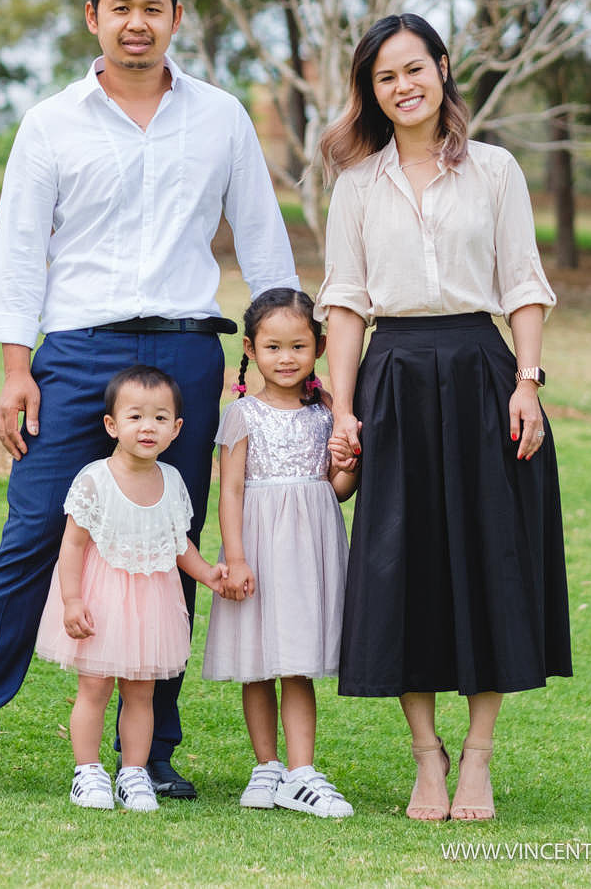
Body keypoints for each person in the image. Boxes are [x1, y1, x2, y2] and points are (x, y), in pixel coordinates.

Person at [0, 0, 298, 804]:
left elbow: (266, 244)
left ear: (175, 20)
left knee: (170, 546)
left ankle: (150, 749)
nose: (136, 22)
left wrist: (286, 357)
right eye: (119, 7)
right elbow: (19, 251)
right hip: (78, 354)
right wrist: (17, 367)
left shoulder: (222, 118)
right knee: (33, 534)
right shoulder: (52, 122)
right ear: (93, 17)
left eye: (152, 8)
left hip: (189, 353)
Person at [318, 13, 572, 823]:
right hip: (392, 377)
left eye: (414, 69)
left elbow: (524, 282)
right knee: (403, 570)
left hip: (481, 374)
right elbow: (347, 305)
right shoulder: (357, 186)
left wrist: (527, 383)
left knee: (490, 563)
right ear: (372, 92)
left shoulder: (495, 171)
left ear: (443, 67)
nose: (403, 86)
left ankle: (478, 761)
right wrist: (344, 412)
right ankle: (426, 758)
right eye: (385, 77)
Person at [35, 366, 227, 811]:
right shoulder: (94, 479)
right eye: (136, 416)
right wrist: (72, 599)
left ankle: (134, 773)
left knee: (142, 693)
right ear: (112, 425)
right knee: (95, 687)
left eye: (160, 418)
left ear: (176, 429)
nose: (148, 427)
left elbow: (179, 543)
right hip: (101, 601)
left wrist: (208, 574)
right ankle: (88, 773)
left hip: (153, 604)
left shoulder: (173, 481)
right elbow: (72, 546)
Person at [202, 288, 358, 818]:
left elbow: (336, 488)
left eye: (298, 346)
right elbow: (230, 492)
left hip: (310, 545)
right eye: (273, 347)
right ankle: (266, 764)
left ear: (318, 346)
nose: (286, 358)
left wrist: (349, 461)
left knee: (296, 661)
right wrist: (237, 558)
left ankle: (302, 771)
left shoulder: (328, 411)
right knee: (257, 660)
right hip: (258, 545)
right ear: (250, 348)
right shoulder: (241, 414)